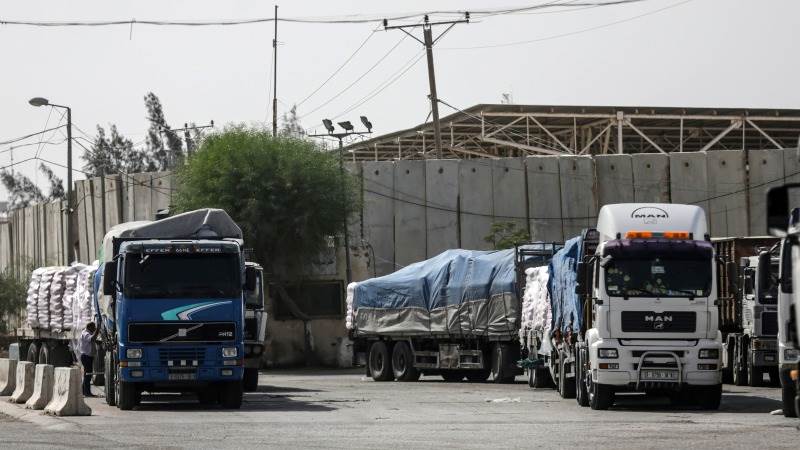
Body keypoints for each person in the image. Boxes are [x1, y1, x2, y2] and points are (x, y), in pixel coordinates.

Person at [79, 322, 100, 397]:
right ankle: (87, 392)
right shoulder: (85, 333)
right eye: (93, 328)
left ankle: (84, 391)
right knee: (88, 375)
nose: (94, 329)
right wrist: (97, 330)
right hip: (86, 357)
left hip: (88, 356)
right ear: (89, 327)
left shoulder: (87, 333)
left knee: (87, 375)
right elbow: (92, 339)